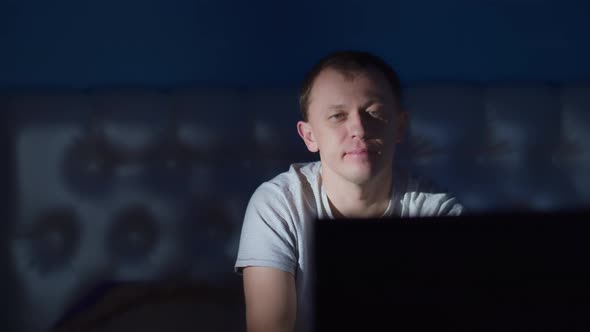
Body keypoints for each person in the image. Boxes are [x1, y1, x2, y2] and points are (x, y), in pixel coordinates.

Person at [234, 50, 463, 332]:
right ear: (309, 135)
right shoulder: (278, 205)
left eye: (374, 113)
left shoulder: (437, 213)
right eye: (337, 116)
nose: (359, 128)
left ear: (400, 126)